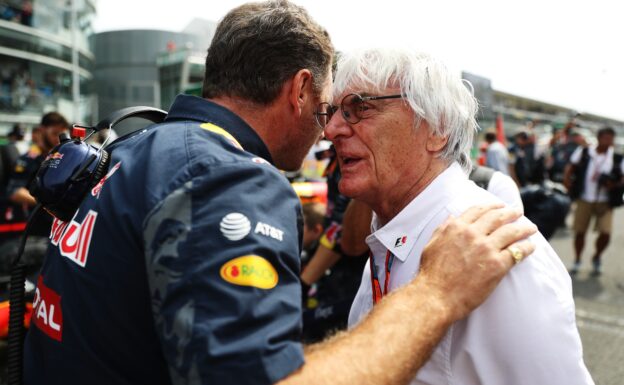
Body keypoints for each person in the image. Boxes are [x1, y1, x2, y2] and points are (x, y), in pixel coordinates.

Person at [23, 2, 536, 385]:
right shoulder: (227, 176)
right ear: (299, 91)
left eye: (354, 112)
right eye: (329, 107)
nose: (331, 127)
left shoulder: (137, 147)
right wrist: (436, 293)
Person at [323, 48, 593, 385]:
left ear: (436, 128)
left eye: (359, 107)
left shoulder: (492, 250)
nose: (331, 129)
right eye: (332, 111)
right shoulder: (394, 230)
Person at [0, 113, 67, 273]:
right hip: (37, 231)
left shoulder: (60, 158)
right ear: (42, 130)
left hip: (60, 226)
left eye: (61, 134)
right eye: (54, 133)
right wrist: (45, 201)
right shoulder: (29, 159)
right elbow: (14, 192)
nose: (58, 139)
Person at [564, 126, 624, 276]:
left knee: (606, 233)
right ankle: (577, 259)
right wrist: (567, 182)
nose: (609, 142)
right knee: (580, 231)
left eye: (611, 139)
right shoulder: (585, 152)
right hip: (584, 198)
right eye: (606, 138)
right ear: (598, 138)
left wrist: (613, 184)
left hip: (605, 201)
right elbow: (571, 167)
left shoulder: (616, 157)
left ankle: (597, 257)